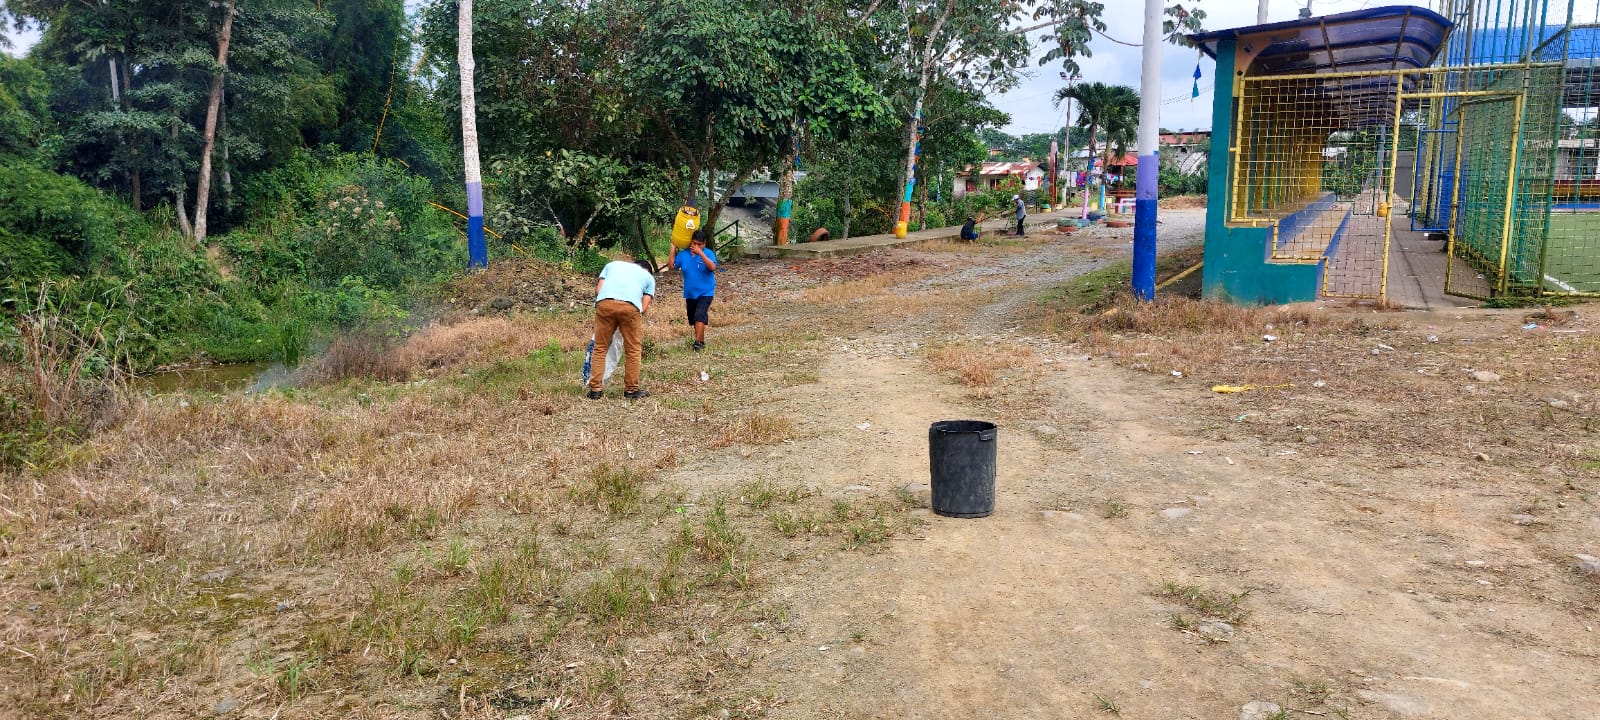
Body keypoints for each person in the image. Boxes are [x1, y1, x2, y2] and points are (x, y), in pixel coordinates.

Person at [588, 255, 655, 400]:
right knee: (633, 350)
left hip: (605, 303)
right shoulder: (649, 278)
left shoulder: (612, 265)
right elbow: (643, 308)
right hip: (629, 308)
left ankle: (595, 390)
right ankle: (631, 390)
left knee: (600, 347)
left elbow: (598, 290)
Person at [668, 228, 719, 351]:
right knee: (693, 319)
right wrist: (673, 249)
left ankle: (697, 343)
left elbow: (713, 267)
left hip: (706, 292)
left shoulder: (708, 253)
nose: (696, 246)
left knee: (700, 315)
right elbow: (671, 266)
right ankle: (701, 341)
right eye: (694, 243)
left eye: (699, 244)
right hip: (690, 293)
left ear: (704, 243)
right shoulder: (684, 254)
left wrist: (700, 253)